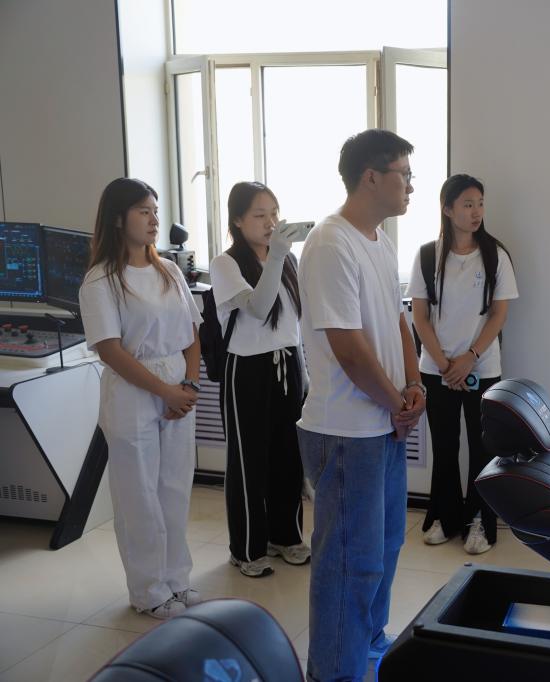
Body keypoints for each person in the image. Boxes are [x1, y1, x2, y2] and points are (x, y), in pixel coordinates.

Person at [296, 129, 425, 682]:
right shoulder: (331, 243)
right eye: (404, 175)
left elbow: (398, 321)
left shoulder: (379, 241)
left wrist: (414, 385)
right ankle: (333, 672)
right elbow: (347, 348)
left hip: (384, 424)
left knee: (386, 547)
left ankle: (367, 643)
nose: (411, 186)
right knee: (349, 562)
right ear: (371, 177)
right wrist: (397, 403)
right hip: (347, 431)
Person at [79, 178, 204, 619]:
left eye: (155, 211)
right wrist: (165, 391)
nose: (154, 220)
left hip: (177, 384)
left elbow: (193, 333)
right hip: (133, 390)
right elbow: (110, 350)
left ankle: (176, 579)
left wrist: (188, 386)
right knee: (139, 495)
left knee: (174, 487)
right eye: (143, 211)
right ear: (118, 219)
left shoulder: (168, 270)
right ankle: (149, 590)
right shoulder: (101, 280)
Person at [409, 174, 518, 555]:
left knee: (483, 448)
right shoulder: (427, 255)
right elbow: (419, 316)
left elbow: (499, 314)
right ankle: (444, 515)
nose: (476, 212)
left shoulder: (495, 255)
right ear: (447, 209)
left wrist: (469, 358)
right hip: (437, 368)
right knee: (444, 446)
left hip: (482, 368)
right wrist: (444, 363)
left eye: (480, 203)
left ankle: (480, 521)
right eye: (468, 204)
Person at [210, 181, 309, 578]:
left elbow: (294, 323)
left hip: (288, 363)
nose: (271, 223)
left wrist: (305, 371)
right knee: (248, 460)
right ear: (237, 220)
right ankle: (247, 549)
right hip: (247, 369)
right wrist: (278, 256)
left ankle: (286, 537)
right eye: (259, 215)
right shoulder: (225, 264)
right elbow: (258, 308)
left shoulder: (287, 260)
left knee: (289, 456)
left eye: (274, 214)